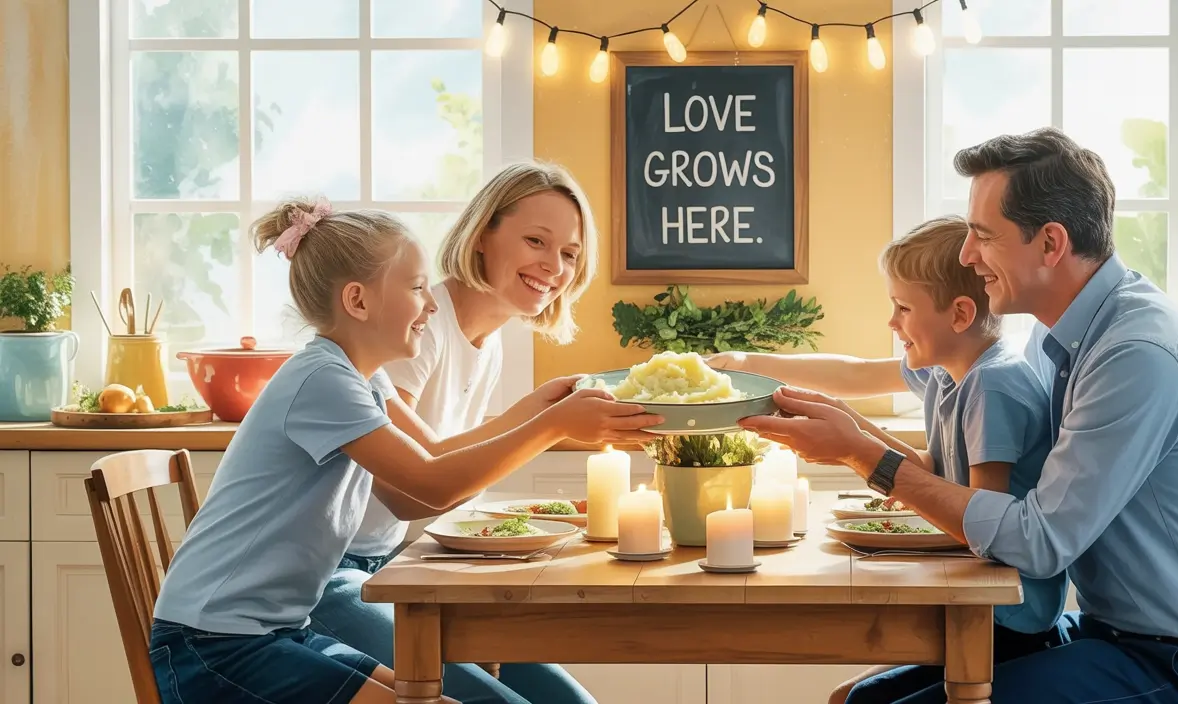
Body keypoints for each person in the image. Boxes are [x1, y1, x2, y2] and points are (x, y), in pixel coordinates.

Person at [739, 126, 1178, 704]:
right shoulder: (1061, 346)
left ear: (1050, 244)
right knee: (862, 700)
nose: (968, 256)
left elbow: (1039, 540)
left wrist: (865, 455)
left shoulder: (1134, 353)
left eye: (983, 236)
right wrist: (854, 438)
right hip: (1119, 638)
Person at [148, 197, 661, 704]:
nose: (433, 304)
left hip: (274, 632)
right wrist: (551, 427)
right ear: (358, 301)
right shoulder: (323, 380)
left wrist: (535, 412)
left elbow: (412, 495)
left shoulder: (363, 382)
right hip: (213, 644)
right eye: (417, 288)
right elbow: (432, 482)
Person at [710, 215, 1066, 704]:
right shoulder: (950, 371)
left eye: (902, 307)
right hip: (979, 601)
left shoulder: (993, 384)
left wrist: (857, 449)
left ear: (959, 315)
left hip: (1007, 615)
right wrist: (755, 367)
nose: (892, 322)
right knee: (848, 697)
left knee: (854, 698)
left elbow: (982, 518)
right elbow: (864, 387)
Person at [307, 162, 602, 704]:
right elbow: (412, 488)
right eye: (536, 240)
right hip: (333, 581)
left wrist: (540, 416)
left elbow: (450, 458)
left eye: (569, 254)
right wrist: (548, 423)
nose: (553, 266)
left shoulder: (488, 344)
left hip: (396, 570)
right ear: (482, 233)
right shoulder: (414, 326)